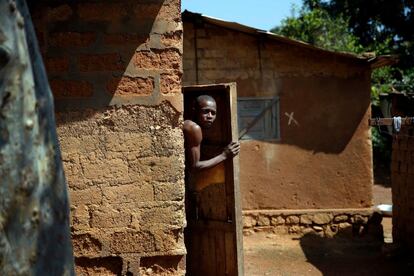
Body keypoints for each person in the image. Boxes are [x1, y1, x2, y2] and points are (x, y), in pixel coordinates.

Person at [183, 95, 240, 192]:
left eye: (213, 113)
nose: (210, 116)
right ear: (195, 110)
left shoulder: (189, 124)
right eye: (206, 111)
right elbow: (194, 167)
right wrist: (224, 155)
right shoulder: (194, 128)